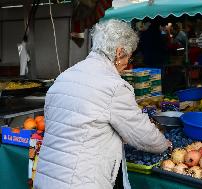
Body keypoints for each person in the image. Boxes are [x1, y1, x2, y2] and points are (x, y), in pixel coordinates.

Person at [34, 20, 171, 189]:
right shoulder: (114, 86)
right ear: (119, 52)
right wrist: (165, 144)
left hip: (47, 178)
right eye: (129, 56)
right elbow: (141, 133)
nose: (127, 63)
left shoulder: (64, 77)